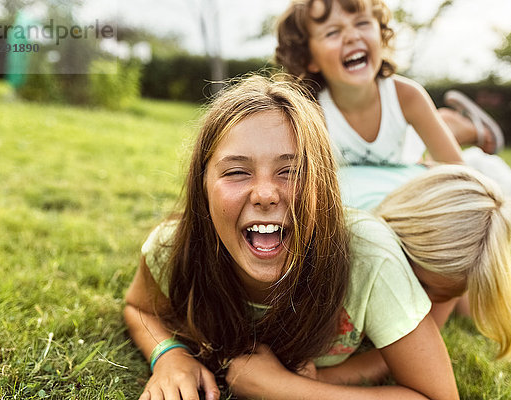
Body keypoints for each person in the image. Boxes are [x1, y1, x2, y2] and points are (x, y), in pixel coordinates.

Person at [123, 75, 459, 399]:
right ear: (203, 187)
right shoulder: (173, 247)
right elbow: (139, 308)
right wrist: (169, 354)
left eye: (291, 171)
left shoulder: (369, 256)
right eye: (237, 171)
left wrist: (279, 388)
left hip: (414, 230)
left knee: (453, 289)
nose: (265, 195)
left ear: (323, 185)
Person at [316, 164, 511, 385]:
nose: (420, 301)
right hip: (380, 181)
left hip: (411, 191)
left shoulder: (453, 264)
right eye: (419, 284)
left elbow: (396, 354)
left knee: (474, 313)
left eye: (442, 295)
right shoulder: (351, 239)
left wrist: (319, 380)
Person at [274, 0, 505, 170]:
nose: (352, 36)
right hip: (398, 152)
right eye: (333, 32)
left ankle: (469, 129)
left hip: (406, 156)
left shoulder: (407, 96)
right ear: (309, 58)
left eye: (363, 23)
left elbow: (457, 170)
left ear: (381, 35)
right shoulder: (313, 112)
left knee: (429, 164)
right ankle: (447, 121)